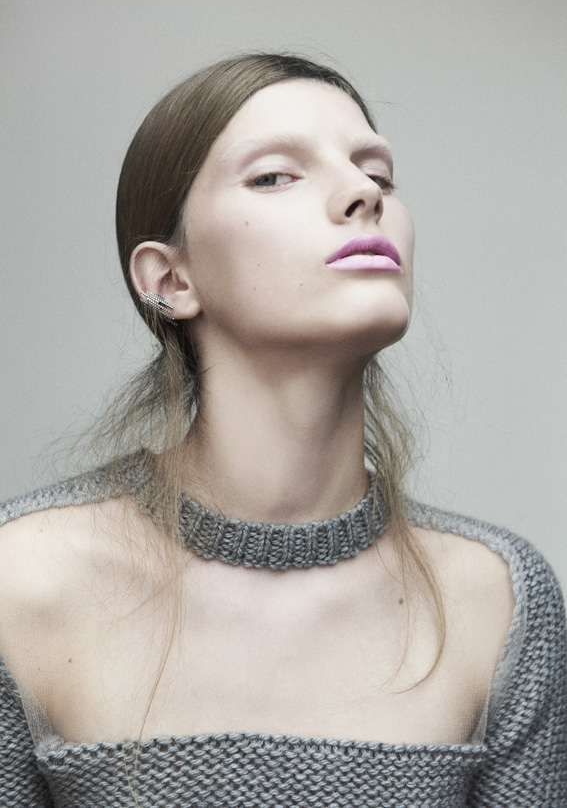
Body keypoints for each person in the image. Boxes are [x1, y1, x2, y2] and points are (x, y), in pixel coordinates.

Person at [0, 53, 565, 808]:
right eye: (274, 176)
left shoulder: (498, 600)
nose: (364, 193)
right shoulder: (20, 583)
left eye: (378, 173)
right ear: (171, 280)